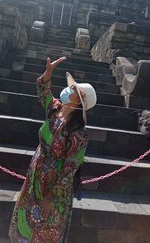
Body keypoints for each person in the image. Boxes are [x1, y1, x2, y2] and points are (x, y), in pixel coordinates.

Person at [9, 56, 97, 243]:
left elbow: (70, 168)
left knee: (46, 227)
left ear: (79, 101)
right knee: (27, 219)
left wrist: (51, 196)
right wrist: (48, 73)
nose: (68, 90)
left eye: (73, 90)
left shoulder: (79, 133)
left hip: (55, 186)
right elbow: (43, 91)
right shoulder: (55, 109)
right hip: (36, 174)